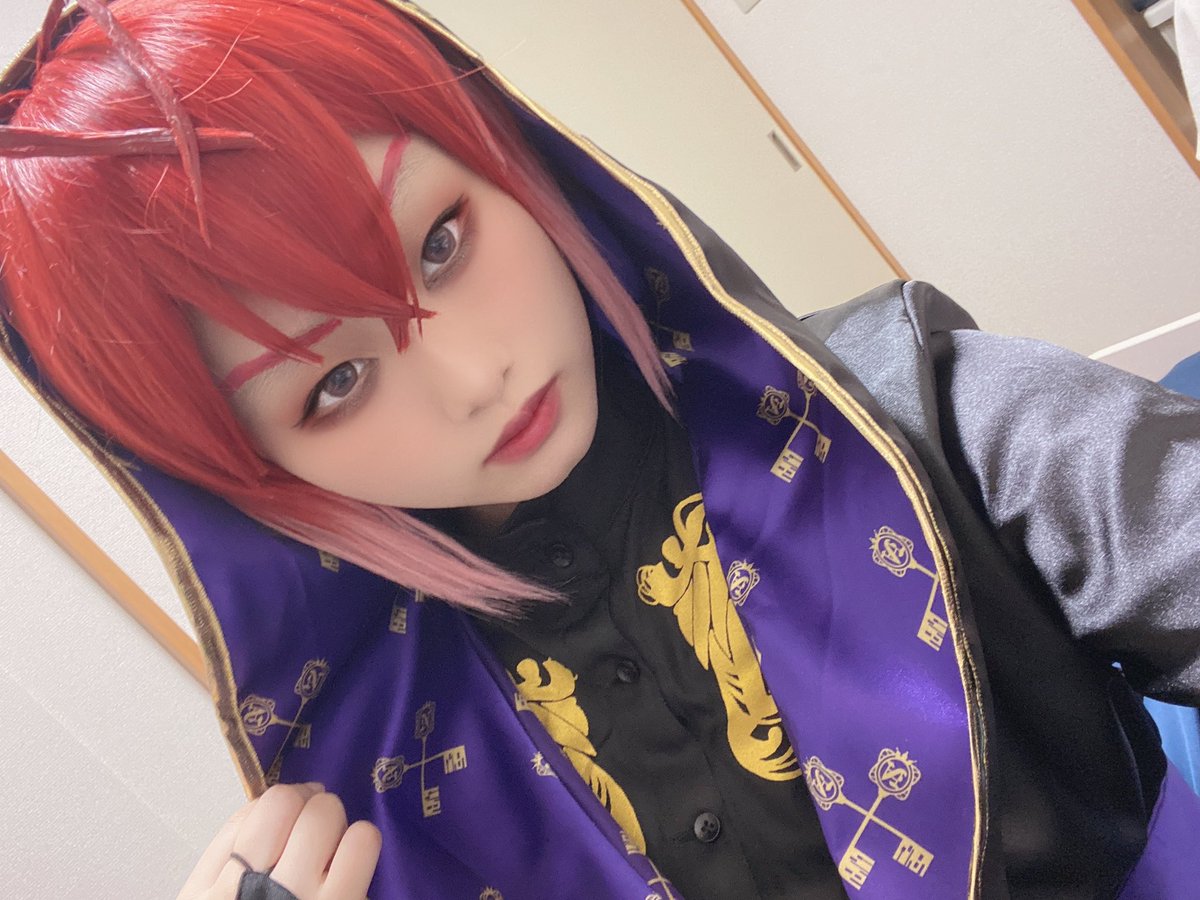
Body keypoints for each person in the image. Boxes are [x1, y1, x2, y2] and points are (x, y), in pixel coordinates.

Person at [3, 1, 1200, 898]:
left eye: (440, 243)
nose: (475, 378)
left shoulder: (926, 419)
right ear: (248, 478)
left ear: (503, 156)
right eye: (337, 382)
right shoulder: (376, 791)